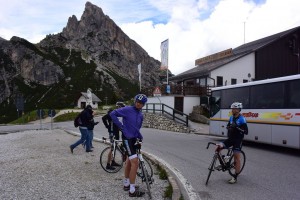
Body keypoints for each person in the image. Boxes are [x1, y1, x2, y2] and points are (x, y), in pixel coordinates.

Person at [110, 94, 147, 197]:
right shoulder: (127, 109)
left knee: (129, 162)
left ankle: (127, 184)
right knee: (135, 162)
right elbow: (113, 113)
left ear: (143, 105)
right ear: (135, 101)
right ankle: (132, 190)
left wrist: (140, 137)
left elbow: (136, 129)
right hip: (127, 138)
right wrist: (121, 127)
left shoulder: (140, 115)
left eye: (141, 103)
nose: (138, 104)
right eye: (137, 102)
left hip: (134, 139)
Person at [216, 102, 248, 184]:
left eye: (234, 109)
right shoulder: (231, 118)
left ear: (238, 110)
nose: (232, 110)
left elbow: (246, 131)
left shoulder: (242, 119)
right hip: (230, 139)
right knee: (217, 149)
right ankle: (222, 163)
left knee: (236, 158)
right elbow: (228, 126)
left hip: (238, 140)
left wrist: (237, 127)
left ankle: (235, 176)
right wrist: (229, 127)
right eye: (232, 108)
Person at [102, 102, 125, 170]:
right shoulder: (112, 113)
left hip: (116, 132)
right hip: (112, 133)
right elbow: (103, 118)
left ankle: (113, 161)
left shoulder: (118, 114)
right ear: (119, 107)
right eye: (122, 107)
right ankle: (108, 164)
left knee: (115, 148)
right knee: (112, 148)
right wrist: (107, 126)